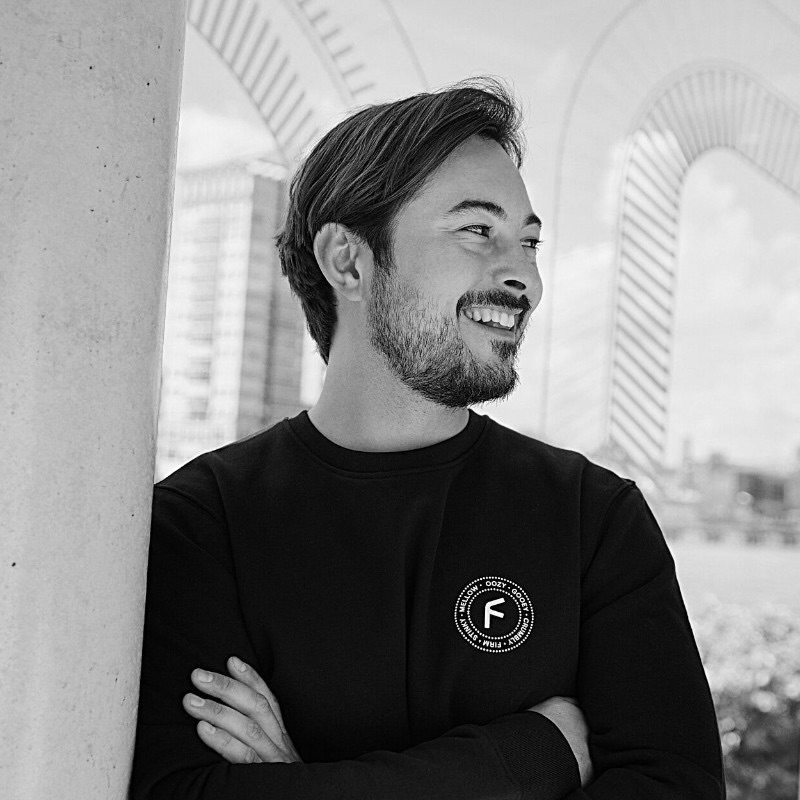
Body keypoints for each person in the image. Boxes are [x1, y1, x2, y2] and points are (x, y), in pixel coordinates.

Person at [130, 78, 725, 799]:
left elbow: (676, 786)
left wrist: (303, 784)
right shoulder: (200, 526)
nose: (525, 278)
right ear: (348, 261)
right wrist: (531, 757)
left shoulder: (591, 518)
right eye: (478, 230)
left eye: (529, 242)